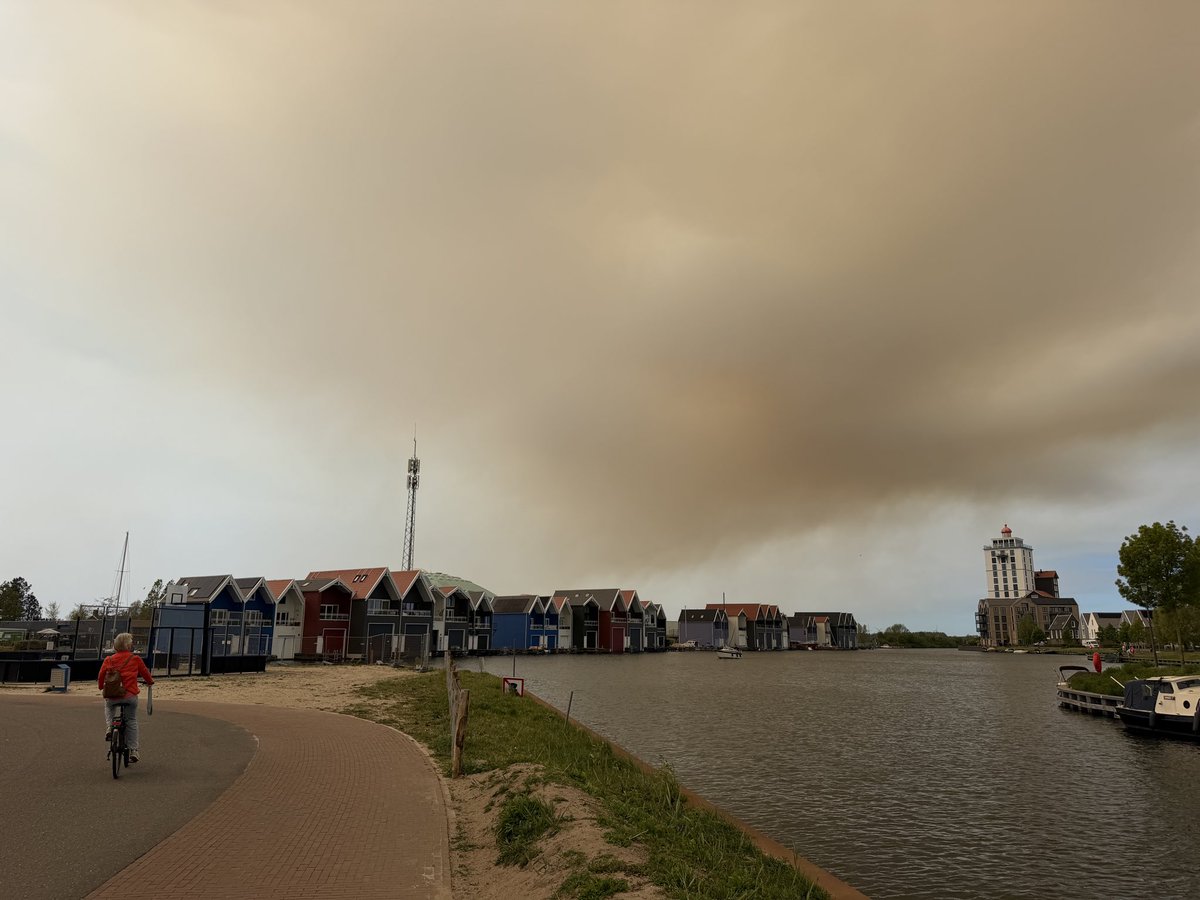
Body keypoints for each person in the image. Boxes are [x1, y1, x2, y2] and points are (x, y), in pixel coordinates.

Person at [97, 633, 154, 763]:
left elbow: (101, 675)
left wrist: (101, 687)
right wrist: (150, 682)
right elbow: (145, 673)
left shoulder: (109, 660)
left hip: (112, 695)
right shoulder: (135, 659)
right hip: (130, 696)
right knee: (131, 720)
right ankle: (134, 750)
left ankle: (110, 727)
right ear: (128, 645)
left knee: (108, 706)